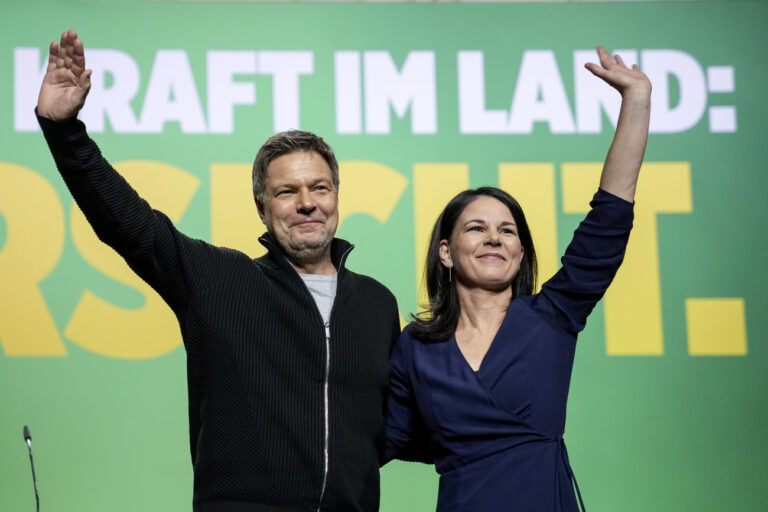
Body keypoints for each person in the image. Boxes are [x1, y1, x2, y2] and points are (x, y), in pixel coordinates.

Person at [37, 30, 400, 511]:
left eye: (320, 188)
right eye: (287, 192)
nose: (308, 203)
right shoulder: (218, 280)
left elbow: (396, 426)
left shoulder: (377, 304)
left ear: (337, 197)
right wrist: (63, 131)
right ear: (262, 207)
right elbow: (128, 224)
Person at [384, 45, 651, 511]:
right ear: (445, 252)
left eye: (507, 230)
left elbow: (608, 222)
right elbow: (382, 439)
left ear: (520, 251)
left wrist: (637, 102)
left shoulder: (551, 317)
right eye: (476, 228)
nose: (495, 238)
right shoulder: (415, 346)